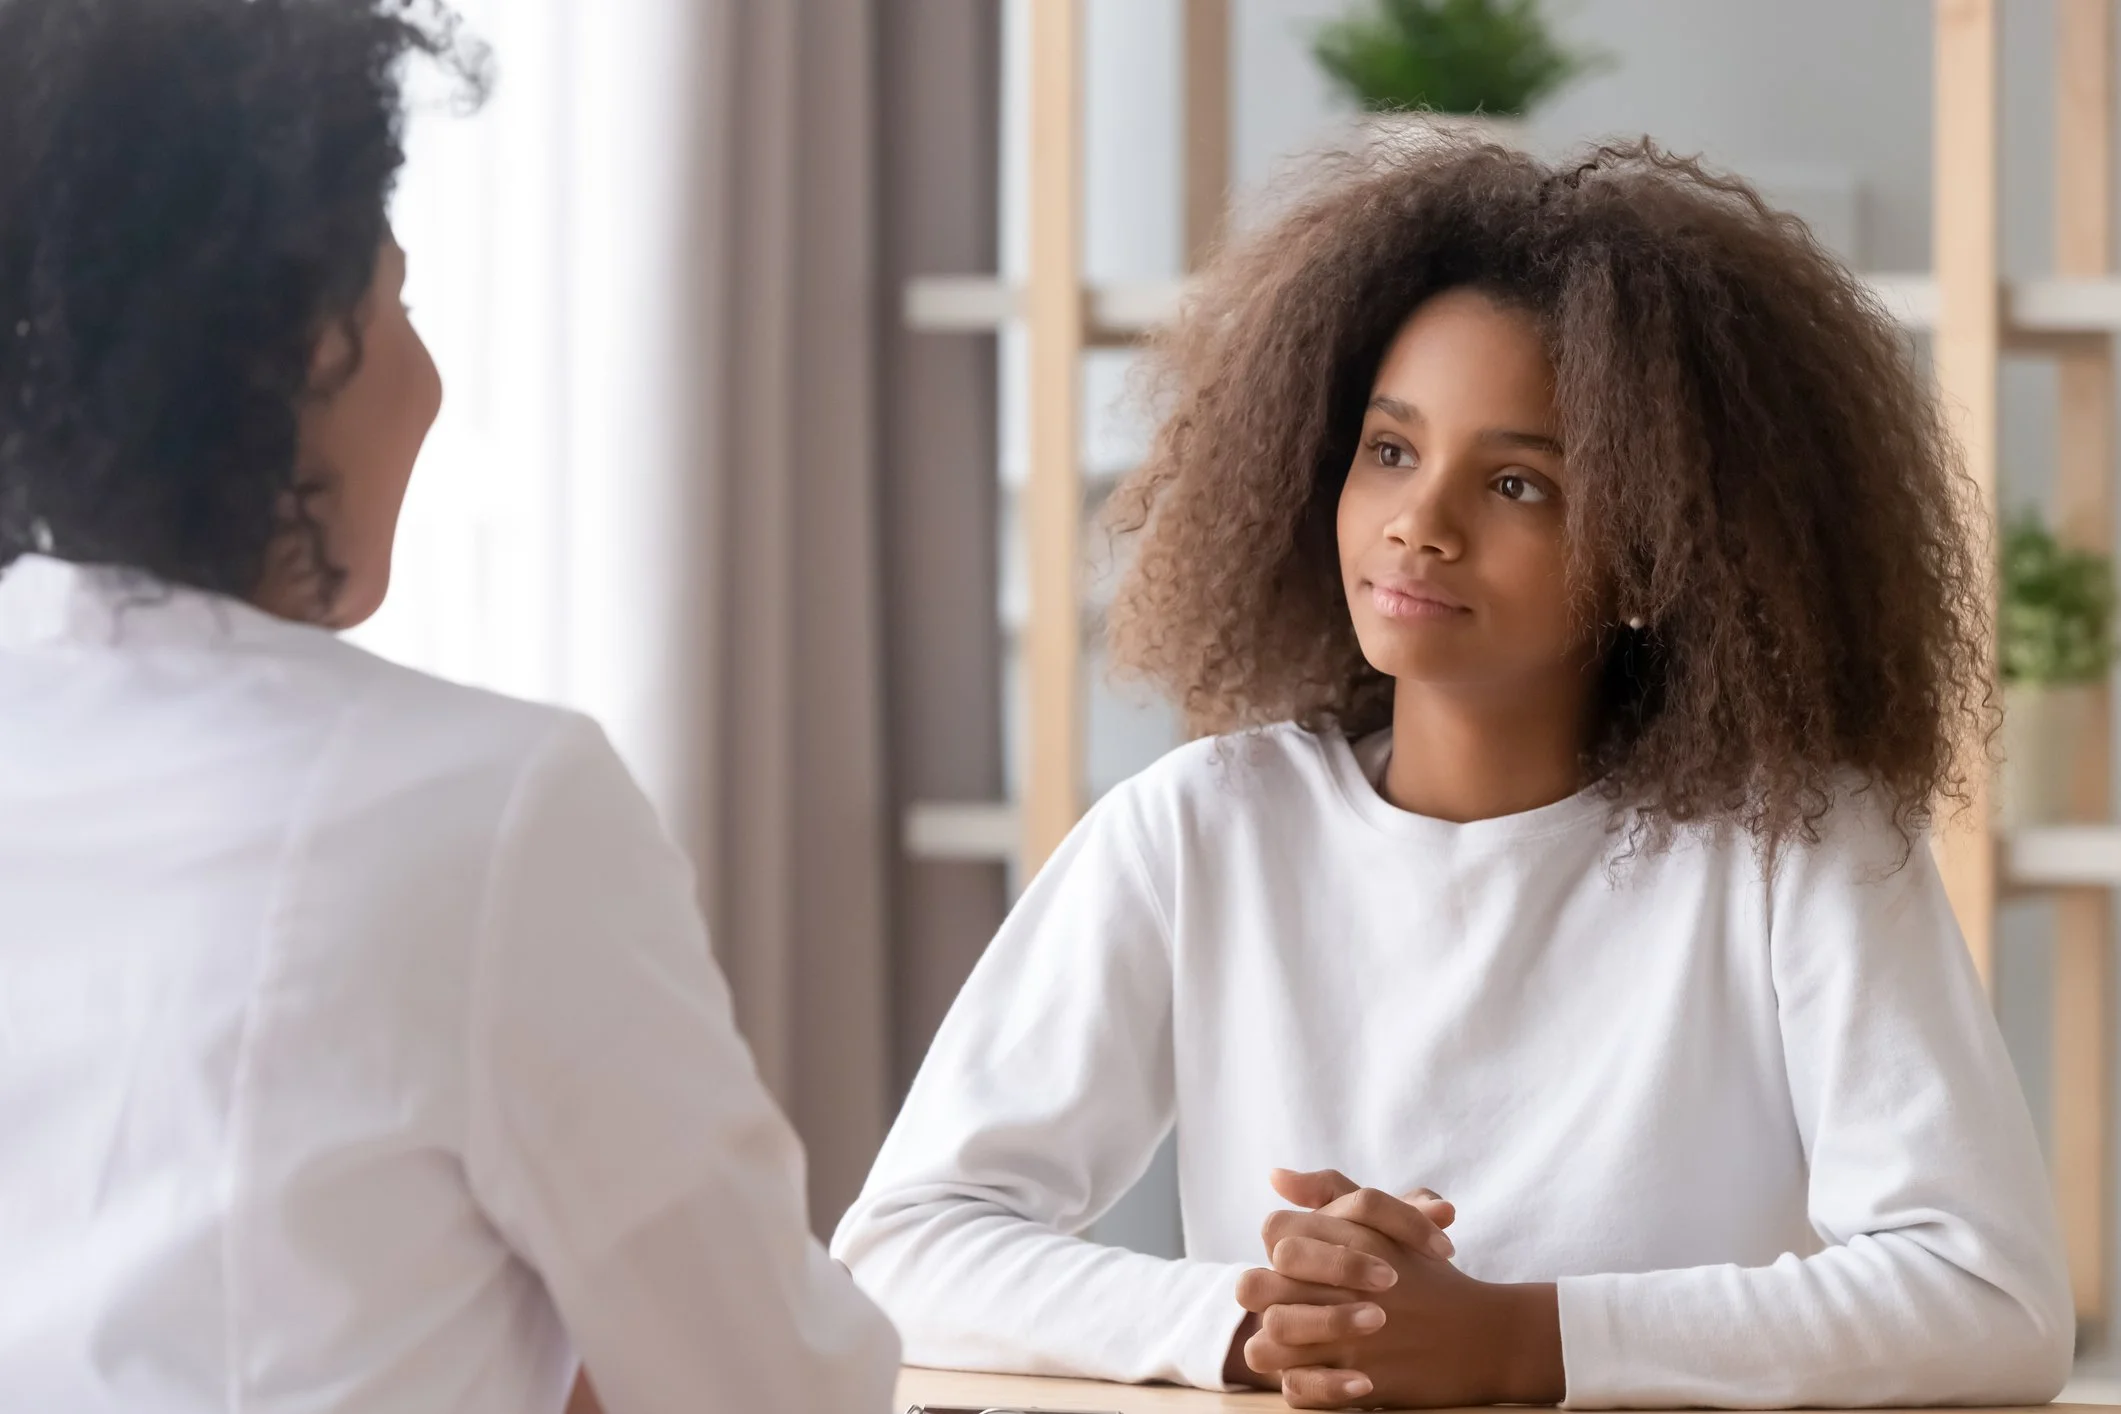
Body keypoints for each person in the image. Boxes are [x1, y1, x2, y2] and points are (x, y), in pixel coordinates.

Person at [833, 139, 2072, 1410]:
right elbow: (902, 1244)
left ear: (1655, 558)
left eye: (1519, 482)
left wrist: (1516, 1340)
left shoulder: (1801, 848)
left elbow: (1990, 1298)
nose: (1421, 521)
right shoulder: (1199, 830)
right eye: (1390, 451)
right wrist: (1264, 1321)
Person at [0, 2, 898, 1411]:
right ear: (307, 344)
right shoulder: (483, 803)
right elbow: (770, 1380)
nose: (424, 377)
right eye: (396, 301)